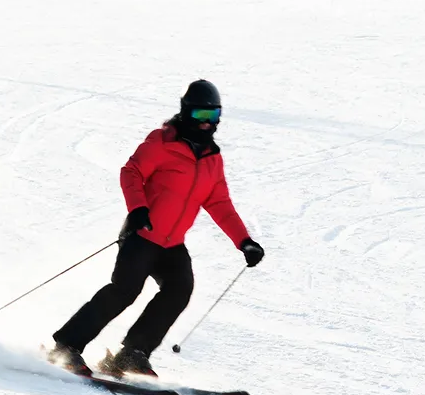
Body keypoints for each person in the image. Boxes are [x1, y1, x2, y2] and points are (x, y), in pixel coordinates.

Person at [48, 80, 265, 378]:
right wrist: (137, 208)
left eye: (213, 116)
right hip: (142, 233)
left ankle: (132, 354)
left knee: (179, 289)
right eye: (201, 115)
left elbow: (220, 203)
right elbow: (132, 171)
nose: (207, 124)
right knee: (125, 290)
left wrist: (244, 242)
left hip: (172, 244)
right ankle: (66, 346)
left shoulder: (213, 159)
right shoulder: (162, 143)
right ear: (186, 112)